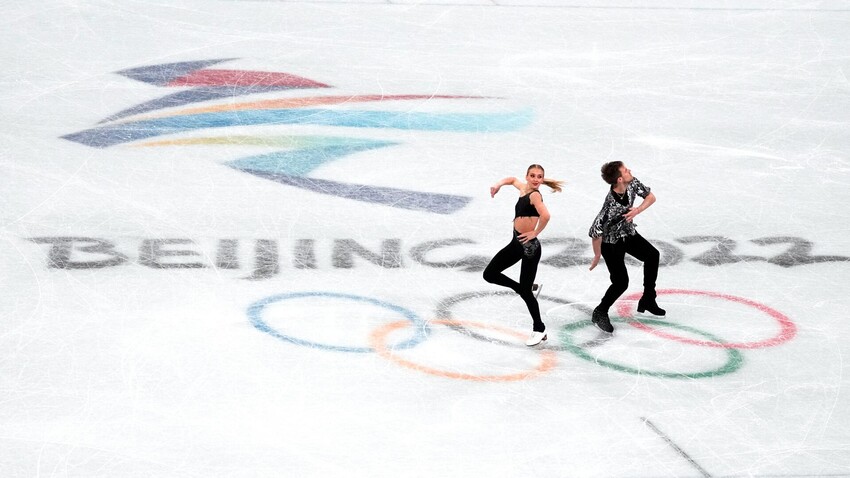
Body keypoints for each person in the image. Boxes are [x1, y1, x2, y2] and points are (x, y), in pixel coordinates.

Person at [484, 164, 563, 346]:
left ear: (542, 180)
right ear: (527, 177)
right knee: (489, 274)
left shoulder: (534, 195)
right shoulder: (523, 189)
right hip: (516, 244)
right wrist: (497, 185)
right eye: (533, 176)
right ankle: (523, 288)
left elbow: (546, 215)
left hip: (529, 249)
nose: (536, 179)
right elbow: (511, 180)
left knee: (526, 292)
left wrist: (535, 233)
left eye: (540, 177)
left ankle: (539, 328)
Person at [588, 161, 665, 333]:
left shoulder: (632, 183)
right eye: (626, 169)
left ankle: (648, 298)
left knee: (652, 255)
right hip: (611, 243)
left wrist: (637, 210)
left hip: (628, 234)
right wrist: (597, 255)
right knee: (621, 282)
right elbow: (595, 231)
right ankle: (600, 311)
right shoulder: (610, 206)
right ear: (620, 179)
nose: (630, 170)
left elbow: (651, 197)